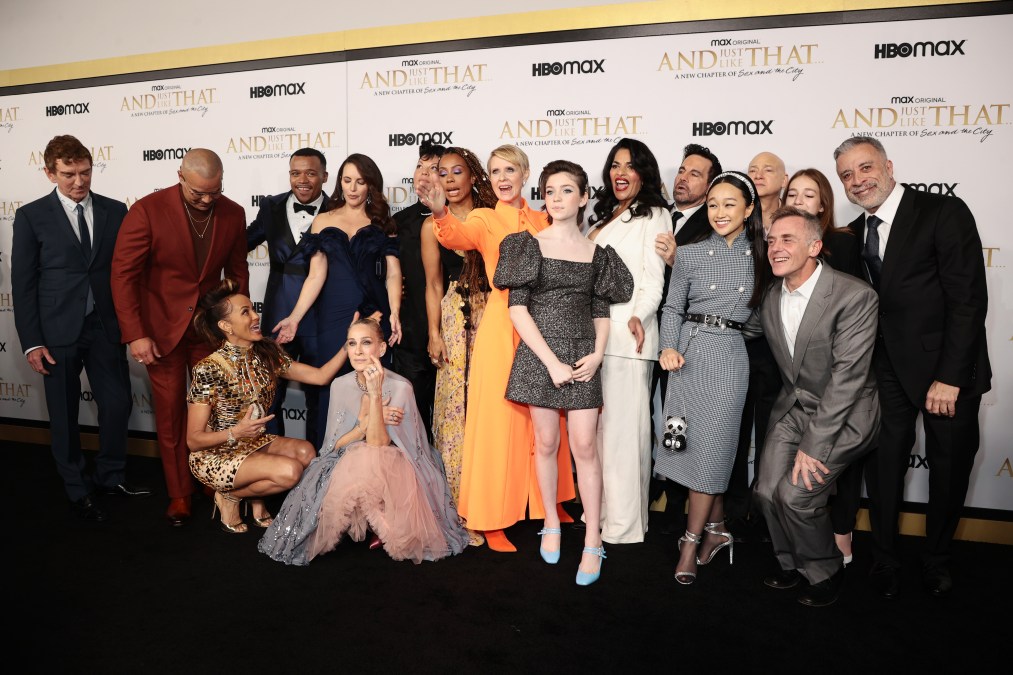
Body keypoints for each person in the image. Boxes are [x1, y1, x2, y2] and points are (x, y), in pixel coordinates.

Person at [834, 136, 991, 598]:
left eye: (865, 168)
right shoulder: (853, 234)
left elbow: (967, 299)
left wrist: (950, 377)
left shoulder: (941, 211)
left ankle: (937, 558)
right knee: (883, 469)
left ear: (889, 166)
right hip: (884, 369)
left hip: (946, 370)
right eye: (847, 175)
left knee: (949, 469)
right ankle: (885, 558)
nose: (858, 180)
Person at [419, 144, 576, 553]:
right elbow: (455, 235)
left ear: (525, 173)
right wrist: (440, 213)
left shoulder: (544, 218)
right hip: (502, 325)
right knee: (498, 421)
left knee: (546, 420)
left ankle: (550, 501)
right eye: (495, 172)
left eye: (510, 170)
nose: (503, 178)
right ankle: (490, 518)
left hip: (544, 327)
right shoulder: (484, 218)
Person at [497, 160, 634, 585]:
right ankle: (551, 523)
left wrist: (597, 354)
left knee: (585, 445)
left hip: (582, 357)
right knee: (546, 442)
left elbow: (600, 310)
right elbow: (517, 310)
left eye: (566, 190)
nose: (556, 199)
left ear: (584, 197)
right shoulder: (526, 245)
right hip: (541, 356)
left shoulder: (598, 254)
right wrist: (550, 363)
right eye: (550, 191)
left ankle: (593, 539)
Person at [747, 207, 880, 607]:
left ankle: (826, 570)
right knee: (766, 491)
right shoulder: (771, 296)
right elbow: (742, 329)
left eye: (787, 239)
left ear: (814, 247)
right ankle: (792, 562)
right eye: (771, 240)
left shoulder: (854, 296)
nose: (775, 247)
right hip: (795, 407)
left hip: (847, 415)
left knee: (795, 496)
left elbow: (847, 381)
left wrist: (813, 445)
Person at [12, 134, 148, 521]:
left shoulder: (115, 210)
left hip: (105, 324)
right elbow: (23, 284)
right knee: (64, 413)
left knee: (117, 404)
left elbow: (127, 272)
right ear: (50, 173)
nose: (79, 181)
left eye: (85, 172)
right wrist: (32, 341)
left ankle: (110, 476)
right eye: (69, 174)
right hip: (56, 331)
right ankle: (76, 486)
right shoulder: (31, 216)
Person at [258, 318, 469, 565]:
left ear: (382, 348)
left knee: (370, 454)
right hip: (351, 465)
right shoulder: (340, 385)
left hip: (396, 469)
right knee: (356, 454)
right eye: (351, 343)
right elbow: (335, 445)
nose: (357, 351)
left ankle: (382, 525)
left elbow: (380, 443)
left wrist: (375, 395)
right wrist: (365, 422)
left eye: (366, 343)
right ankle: (367, 523)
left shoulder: (401, 387)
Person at [111, 148, 248, 526]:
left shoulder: (233, 213)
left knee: (216, 412)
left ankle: (210, 478)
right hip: (161, 333)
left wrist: (238, 325)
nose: (206, 200)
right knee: (171, 415)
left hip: (209, 332)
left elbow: (238, 272)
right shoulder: (147, 211)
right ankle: (179, 493)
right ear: (180, 177)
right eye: (198, 193)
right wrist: (136, 334)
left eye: (214, 192)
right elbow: (123, 276)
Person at [657, 170, 770, 584]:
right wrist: (667, 347)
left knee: (715, 451)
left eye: (730, 204)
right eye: (713, 204)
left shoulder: (763, 256)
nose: (720, 212)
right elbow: (672, 308)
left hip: (729, 360)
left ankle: (689, 542)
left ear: (749, 209)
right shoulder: (688, 254)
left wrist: (733, 330)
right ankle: (719, 529)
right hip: (686, 359)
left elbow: (762, 318)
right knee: (689, 449)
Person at [186, 279, 349, 533]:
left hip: (254, 442)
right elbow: (194, 441)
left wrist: (350, 343)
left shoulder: (266, 354)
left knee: (306, 452)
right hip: (217, 453)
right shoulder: (208, 369)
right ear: (226, 326)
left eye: (253, 309)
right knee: (290, 472)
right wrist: (236, 432)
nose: (255, 316)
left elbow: (320, 377)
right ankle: (231, 495)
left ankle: (244, 496)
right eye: (245, 312)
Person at [274, 153, 402, 445]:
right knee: (329, 389)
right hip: (331, 316)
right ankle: (328, 460)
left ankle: (368, 461)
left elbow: (394, 273)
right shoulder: (323, 220)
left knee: (372, 385)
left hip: (373, 314)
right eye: (347, 180)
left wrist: (394, 312)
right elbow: (315, 275)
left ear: (371, 185)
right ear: (339, 183)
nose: (353, 188)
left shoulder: (383, 222)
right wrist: (294, 318)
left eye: (360, 181)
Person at [585, 139, 668, 544]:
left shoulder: (654, 214)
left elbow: (654, 279)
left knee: (623, 437)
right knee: (599, 435)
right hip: (594, 338)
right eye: (615, 165)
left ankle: (624, 525)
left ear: (643, 173)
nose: (620, 173)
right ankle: (600, 515)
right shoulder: (602, 215)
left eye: (630, 166)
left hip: (628, 337)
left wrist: (642, 315)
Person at [785, 167, 863, 564]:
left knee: (841, 455)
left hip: (838, 368)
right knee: (797, 459)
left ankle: (842, 530)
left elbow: (854, 306)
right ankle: (801, 535)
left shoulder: (843, 242)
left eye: (808, 194)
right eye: (792, 194)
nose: (799, 200)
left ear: (823, 204)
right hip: (794, 373)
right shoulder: (779, 243)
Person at [420, 145, 496, 546]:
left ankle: (491, 504)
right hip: (453, 318)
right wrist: (434, 333)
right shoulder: (430, 226)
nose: (449, 180)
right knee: (455, 409)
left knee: (489, 408)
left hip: (494, 315)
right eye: (442, 173)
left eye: (456, 172)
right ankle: (458, 508)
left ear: (473, 176)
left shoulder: (493, 215)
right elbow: (433, 285)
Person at [650, 143, 722, 535]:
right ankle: (646, 494)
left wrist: (679, 260)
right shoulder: (655, 214)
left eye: (695, 174)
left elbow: (717, 287)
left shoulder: (716, 227)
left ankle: (681, 507)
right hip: (644, 336)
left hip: (686, 344)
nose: (683, 178)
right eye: (682, 170)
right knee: (644, 417)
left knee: (683, 422)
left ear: (710, 187)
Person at [246, 148, 330, 447]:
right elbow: (241, 242)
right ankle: (273, 457)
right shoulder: (271, 206)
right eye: (295, 173)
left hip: (321, 314)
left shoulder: (338, 209)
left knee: (320, 394)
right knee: (270, 391)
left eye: (310, 173)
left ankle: (319, 461)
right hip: (277, 313)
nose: (302, 180)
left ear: (325, 176)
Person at [391, 141, 445, 441]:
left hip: (452, 333)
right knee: (412, 420)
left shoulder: (463, 219)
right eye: (419, 167)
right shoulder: (398, 222)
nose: (423, 174)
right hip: (410, 335)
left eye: (433, 168)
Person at [747, 151, 788, 235]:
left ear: (784, 180)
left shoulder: (795, 217)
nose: (758, 176)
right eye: (752, 171)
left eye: (768, 170)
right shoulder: (738, 216)